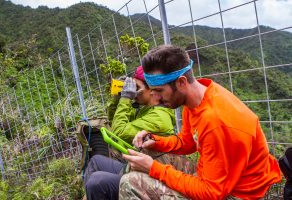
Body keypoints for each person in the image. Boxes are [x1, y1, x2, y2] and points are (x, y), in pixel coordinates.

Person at [119, 45, 282, 199]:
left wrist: (154, 169)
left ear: (181, 82)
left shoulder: (214, 121)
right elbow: (188, 142)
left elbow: (212, 193)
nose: (155, 98)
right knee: (145, 153)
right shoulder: (196, 98)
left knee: (131, 183)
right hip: (217, 178)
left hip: (240, 194)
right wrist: (155, 141)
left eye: (159, 91)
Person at [84, 66, 177, 200]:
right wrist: (119, 98)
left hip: (151, 179)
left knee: (97, 181)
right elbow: (113, 120)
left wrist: (126, 99)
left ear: (152, 90)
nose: (134, 92)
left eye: (137, 87)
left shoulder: (158, 117)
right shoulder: (145, 109)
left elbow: (118, 132)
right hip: (138, 169)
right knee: (95, 161)